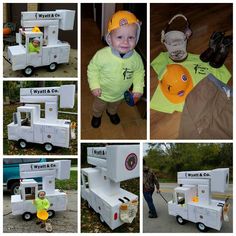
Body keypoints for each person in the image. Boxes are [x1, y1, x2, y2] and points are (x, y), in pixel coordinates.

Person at [87, 10, 145, 128]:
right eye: (119, 37)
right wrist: (94, 85)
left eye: (131, 37)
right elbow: (92, 69)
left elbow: (139, 73)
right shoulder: (102, 55)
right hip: (102, 93)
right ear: (109, 39)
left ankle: (111, 113)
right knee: (98, 107)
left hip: (120, 94)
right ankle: (96, 116)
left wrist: (138, 88)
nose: (125, 42)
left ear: (136, 38)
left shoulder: (136, 58)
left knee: (114, 106)